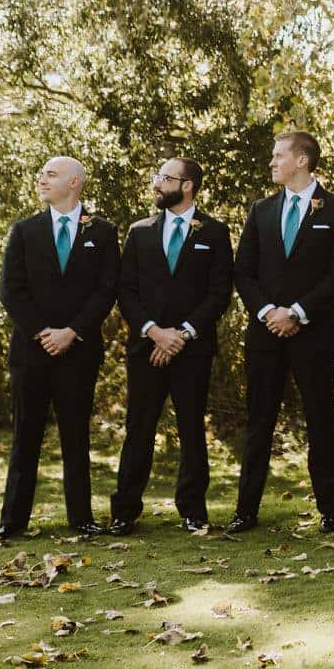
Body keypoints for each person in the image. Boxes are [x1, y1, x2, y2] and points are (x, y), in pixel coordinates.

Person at [229, 131, 334, 533]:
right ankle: (245, 511)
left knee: (321, 420)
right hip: (265, 332)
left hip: (314, 332)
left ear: (302, 161)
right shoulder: (261, 210)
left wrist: (298, 312)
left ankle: (331, 512)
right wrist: (270, 311)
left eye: (278, 155)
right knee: (259, 422)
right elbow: (243, 271)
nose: (272, 162)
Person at [0, 156, 120, 539]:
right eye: (41, 174)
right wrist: (43, 332)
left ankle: (81, 517)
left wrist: (72, 332)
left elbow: (106, 290)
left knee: (75, 436)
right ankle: (12, 521)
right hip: (31, 352)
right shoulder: (24, 231)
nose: (42, 179)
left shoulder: (103, 231)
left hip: (79, 351)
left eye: (51, 174)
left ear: (75, 182)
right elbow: (11, 291)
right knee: (25, 436)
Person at [109, 158, 233, 534]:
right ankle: (125, 511)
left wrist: (182, 334)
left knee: (192, 428)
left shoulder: (214, 232)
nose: (157, 184)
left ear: (189, 185)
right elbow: (125, 290)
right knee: (139, 428)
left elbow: (219, 293)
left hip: (191, 349)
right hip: (146, 348)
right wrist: (154, 332)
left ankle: (193, 510)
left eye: (165, 178)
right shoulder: (140, 231)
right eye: (158, 177)